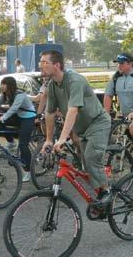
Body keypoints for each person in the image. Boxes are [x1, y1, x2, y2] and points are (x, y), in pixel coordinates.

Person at [40, 50, 112, 207]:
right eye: (41, 62)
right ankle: (100, 192)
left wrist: (62, 138)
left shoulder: (75, 81)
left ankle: (106, 192)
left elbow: (73, 110)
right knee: (85, 162)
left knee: (92, 157)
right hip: (81, 128)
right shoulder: (52, 85)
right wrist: (48, 140)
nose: (41, 66)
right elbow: (50, 113)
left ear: (57, 65)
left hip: (97, 123)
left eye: (45, 62)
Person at [0, 76, 36, 182]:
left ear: (9, 85)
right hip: (18, 116)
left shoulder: (20, 94)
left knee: (23, 144)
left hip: (28, 117)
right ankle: (11, 142)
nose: (1, 86)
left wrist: (1, 118)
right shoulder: (5, 94)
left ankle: (28, 171)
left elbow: (13, 109)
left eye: (3, 84)